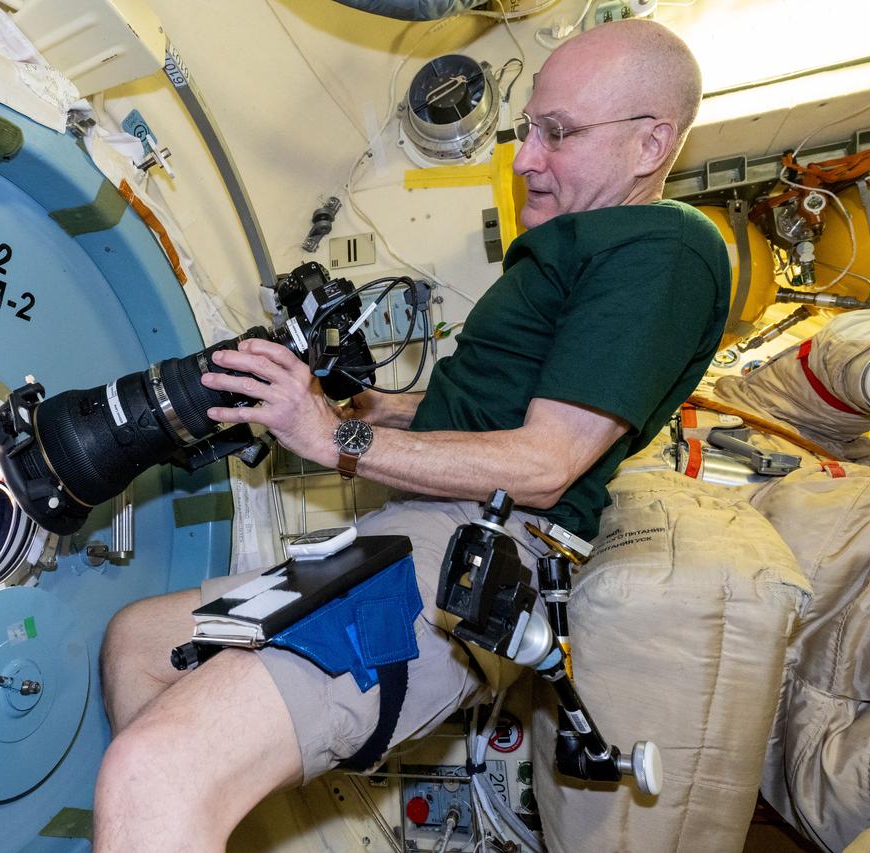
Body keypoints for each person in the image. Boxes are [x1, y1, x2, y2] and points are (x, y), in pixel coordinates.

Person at [93, 18, 729, 852]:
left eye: (558, 133)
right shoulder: (567, 249)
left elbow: (545, 461)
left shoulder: (666, 247)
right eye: (528, 128)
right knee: (139, 640)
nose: (526, 158)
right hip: (403, 533)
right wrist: (367, 408)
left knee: (155, 770)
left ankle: (169, 793)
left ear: (650, 144)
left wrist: (336, 440)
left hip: (472, 552)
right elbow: (493, 408)